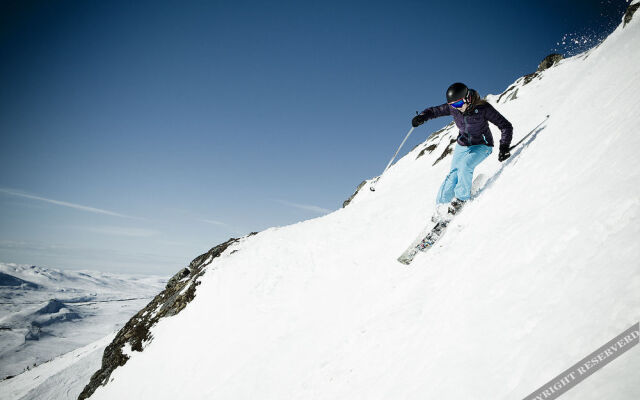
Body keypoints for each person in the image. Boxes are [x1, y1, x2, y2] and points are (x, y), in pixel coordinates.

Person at [411, 82, 513, 222]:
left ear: (467, 98)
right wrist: (422, 116)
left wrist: (504, 146)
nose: (456, 108)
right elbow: (434, 111)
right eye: (453, 105)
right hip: (462, 145)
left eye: (458, 104)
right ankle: (441, 208)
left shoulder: (483, 108)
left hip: (482, 145)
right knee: (452, 176)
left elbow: (505, 126)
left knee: (465, 166)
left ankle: (461, 199)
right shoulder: (455, 108)